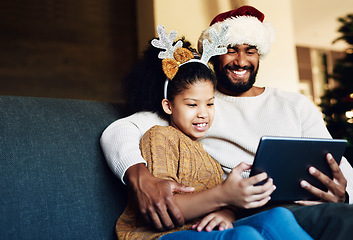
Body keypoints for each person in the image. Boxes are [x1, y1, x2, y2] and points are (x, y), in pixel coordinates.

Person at [101, 5, 353, 239]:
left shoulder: (294, 105)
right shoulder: (193, 100)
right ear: (215, 55)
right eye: (231, 49)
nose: (241, 61)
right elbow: (120, 129)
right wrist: (139, 177)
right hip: (240, 215)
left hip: (300, 207)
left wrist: (344, 195)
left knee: (342, 217)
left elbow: (336, 161)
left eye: (250, 50)